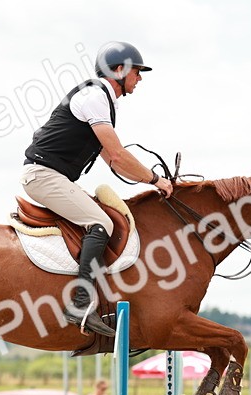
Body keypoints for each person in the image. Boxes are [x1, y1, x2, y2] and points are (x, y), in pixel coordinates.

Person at [21, 41, 174, 338]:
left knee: (104, 214)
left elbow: (112, 161)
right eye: (137, 72)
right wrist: (156, 180)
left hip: (53, 175)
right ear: (119, 70)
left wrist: (146, 178)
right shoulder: (94, 96)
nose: (139, 78)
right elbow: (117, 156)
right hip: (43, 175)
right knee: (101, 222)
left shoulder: (103, 101)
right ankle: (80, 303)